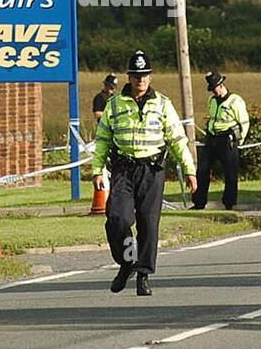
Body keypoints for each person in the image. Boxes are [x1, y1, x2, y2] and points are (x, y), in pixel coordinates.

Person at [91, 50, 197, 296]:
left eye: (145, 75)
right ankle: (127, 261)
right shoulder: (114, 104)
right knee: (119, 219)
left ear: (150, 76)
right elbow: (103, 139)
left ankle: (143, 274)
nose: (141, 80)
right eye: (136, 75)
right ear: (129, 77)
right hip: (123, 170)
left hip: (152, 170)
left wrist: (190, 170)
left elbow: (177, 139)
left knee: (149, 223)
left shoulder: (162, 103)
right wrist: (97, 170)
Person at [192, 71, 250, 210]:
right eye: (211, 89)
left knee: (230, 172)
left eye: (214, 88)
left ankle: (229, 203)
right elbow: (212, 118)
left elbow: (244, 123)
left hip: (227, 139)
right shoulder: (212, 100)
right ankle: (199, 202)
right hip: (212, 137)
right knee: (203, 170)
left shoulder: (235, 101)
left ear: (221, 85)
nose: (213, 91)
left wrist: (238, 142)